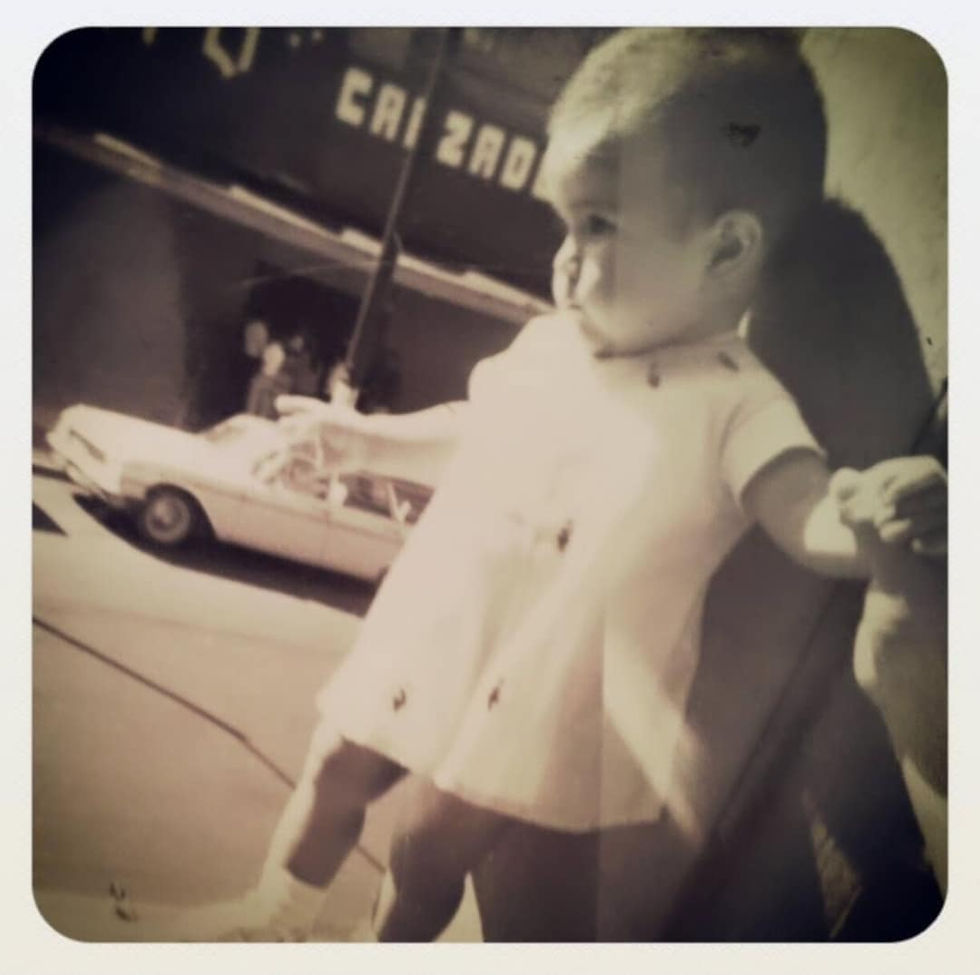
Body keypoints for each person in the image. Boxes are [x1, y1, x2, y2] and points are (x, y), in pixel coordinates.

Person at [178, 29, 947, 941]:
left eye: (599, 225)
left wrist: (870, 515)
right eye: (565, 226)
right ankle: (273, 916)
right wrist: (361, 441)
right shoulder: (552, 343)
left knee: (428, 851)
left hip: (552, 694)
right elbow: (474, 431)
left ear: (724, 250)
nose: (565, 260)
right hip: (445, 631)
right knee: (336, 759)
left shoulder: (738, 401)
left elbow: (802, 509)